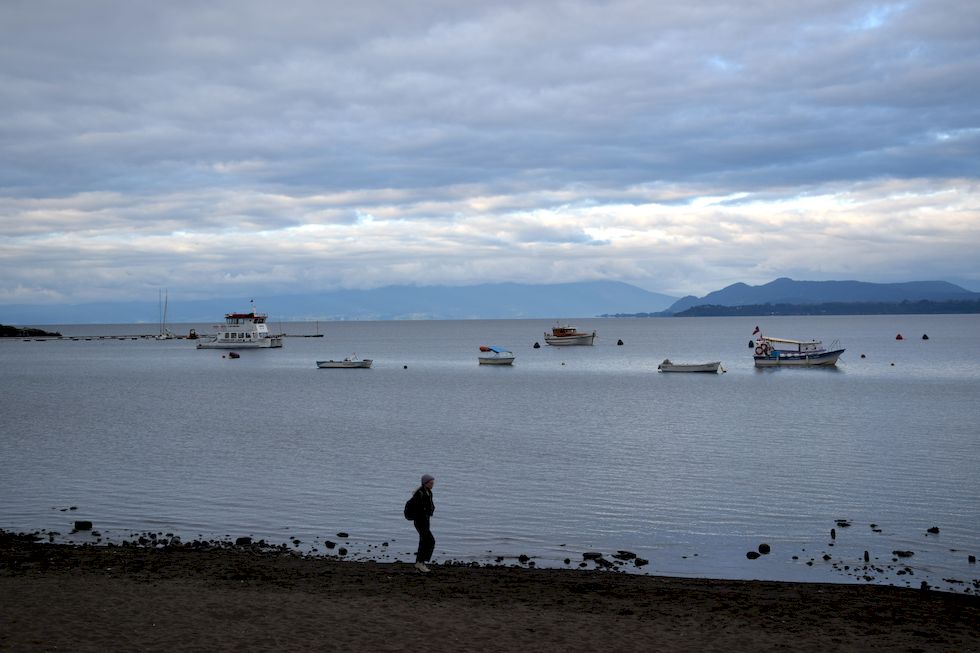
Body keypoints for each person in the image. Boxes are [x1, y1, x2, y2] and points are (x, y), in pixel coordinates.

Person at [411, 474, 436, 573]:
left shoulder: (429, 492)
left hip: (426, 520)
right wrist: (423, 514)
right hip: (420, 521)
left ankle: (419, 563)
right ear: (425, 483)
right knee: (430, 541)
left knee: (424, 541)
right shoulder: (419, 493)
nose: (432, 485)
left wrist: (430, 511)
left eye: (433, 483)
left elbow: (430, 505)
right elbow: (417, 508)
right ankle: (421, 562)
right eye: (430, 483)